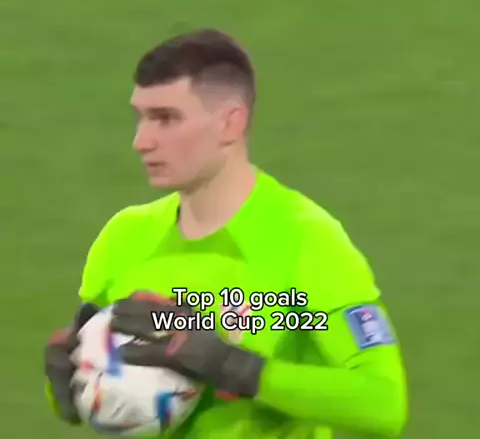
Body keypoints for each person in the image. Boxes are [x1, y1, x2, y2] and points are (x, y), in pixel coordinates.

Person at [44, 28, 408, 438]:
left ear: (229, 124)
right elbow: (106, 382)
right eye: (141, 117)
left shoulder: (306, 241)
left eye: (165, 118)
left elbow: (383, 404)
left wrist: (235, 367)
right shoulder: (124, 236)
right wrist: (68, 382)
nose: (141, 141)